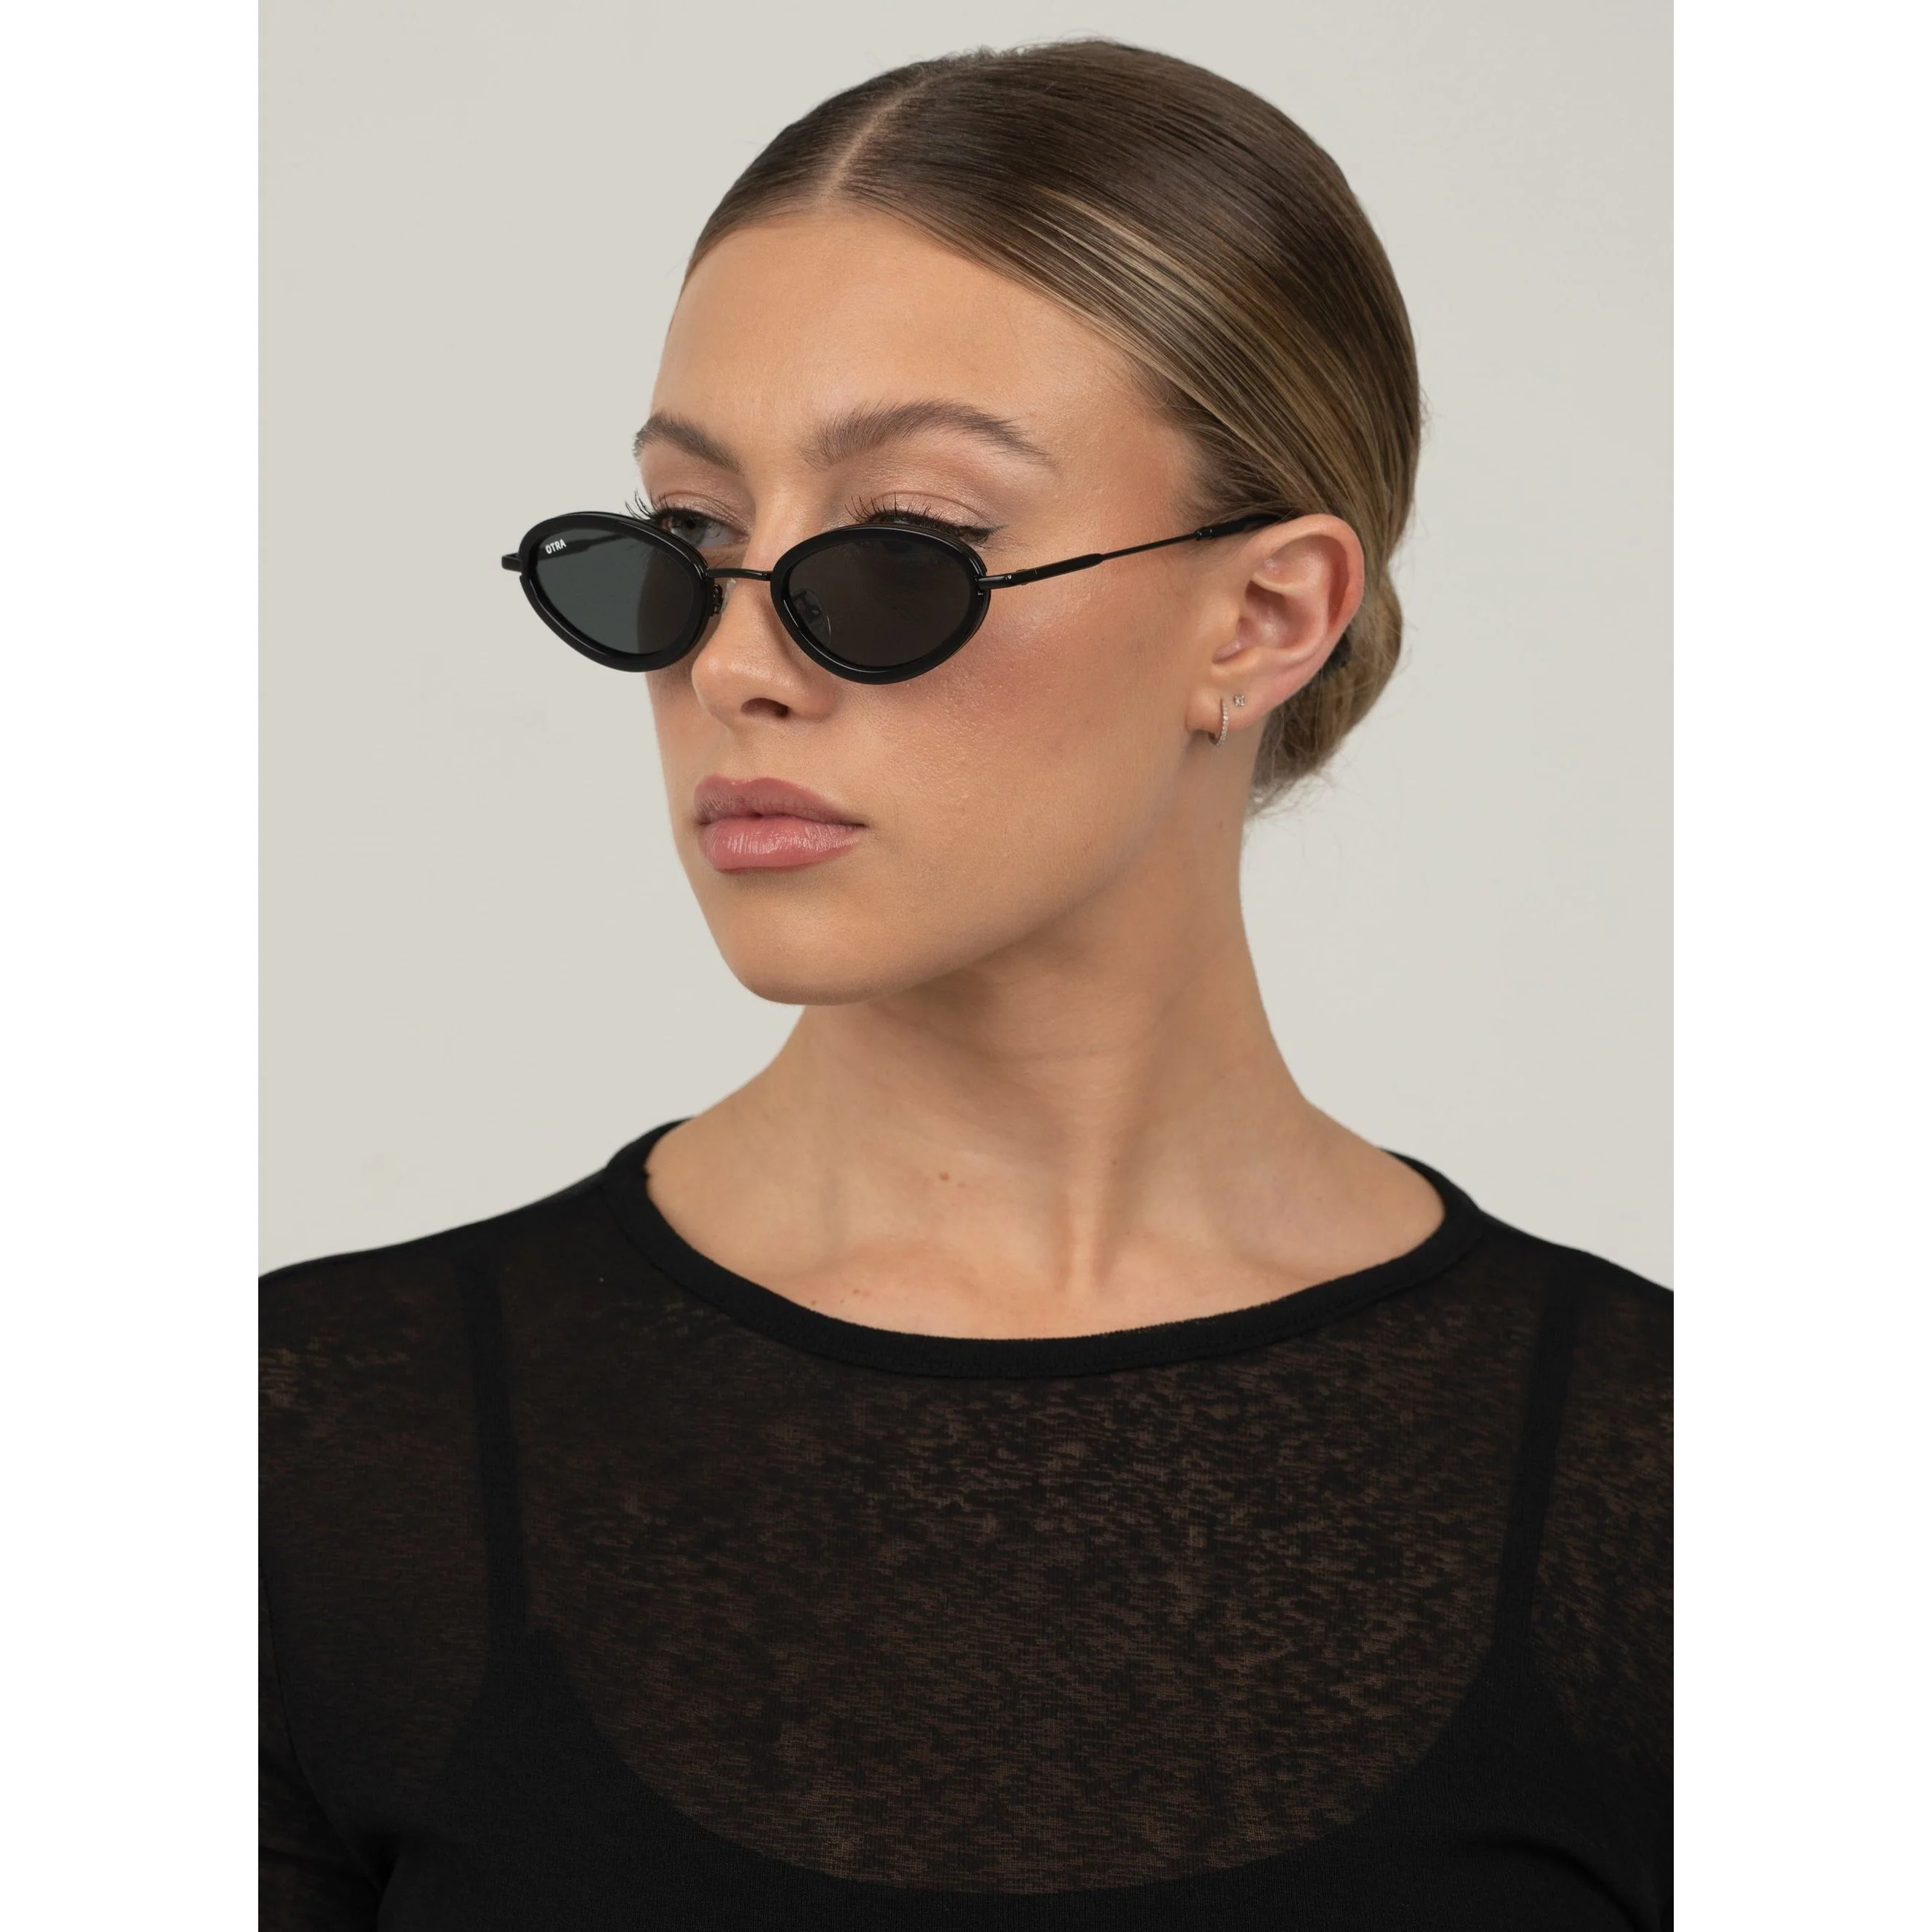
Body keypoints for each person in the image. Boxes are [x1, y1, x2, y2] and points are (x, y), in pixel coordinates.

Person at [261, 39, 1669, 1930]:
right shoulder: (300, 1454)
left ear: (1264, 617)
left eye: (901, 550)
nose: (732, 668)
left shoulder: (1687, 1486)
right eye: (686, 543)